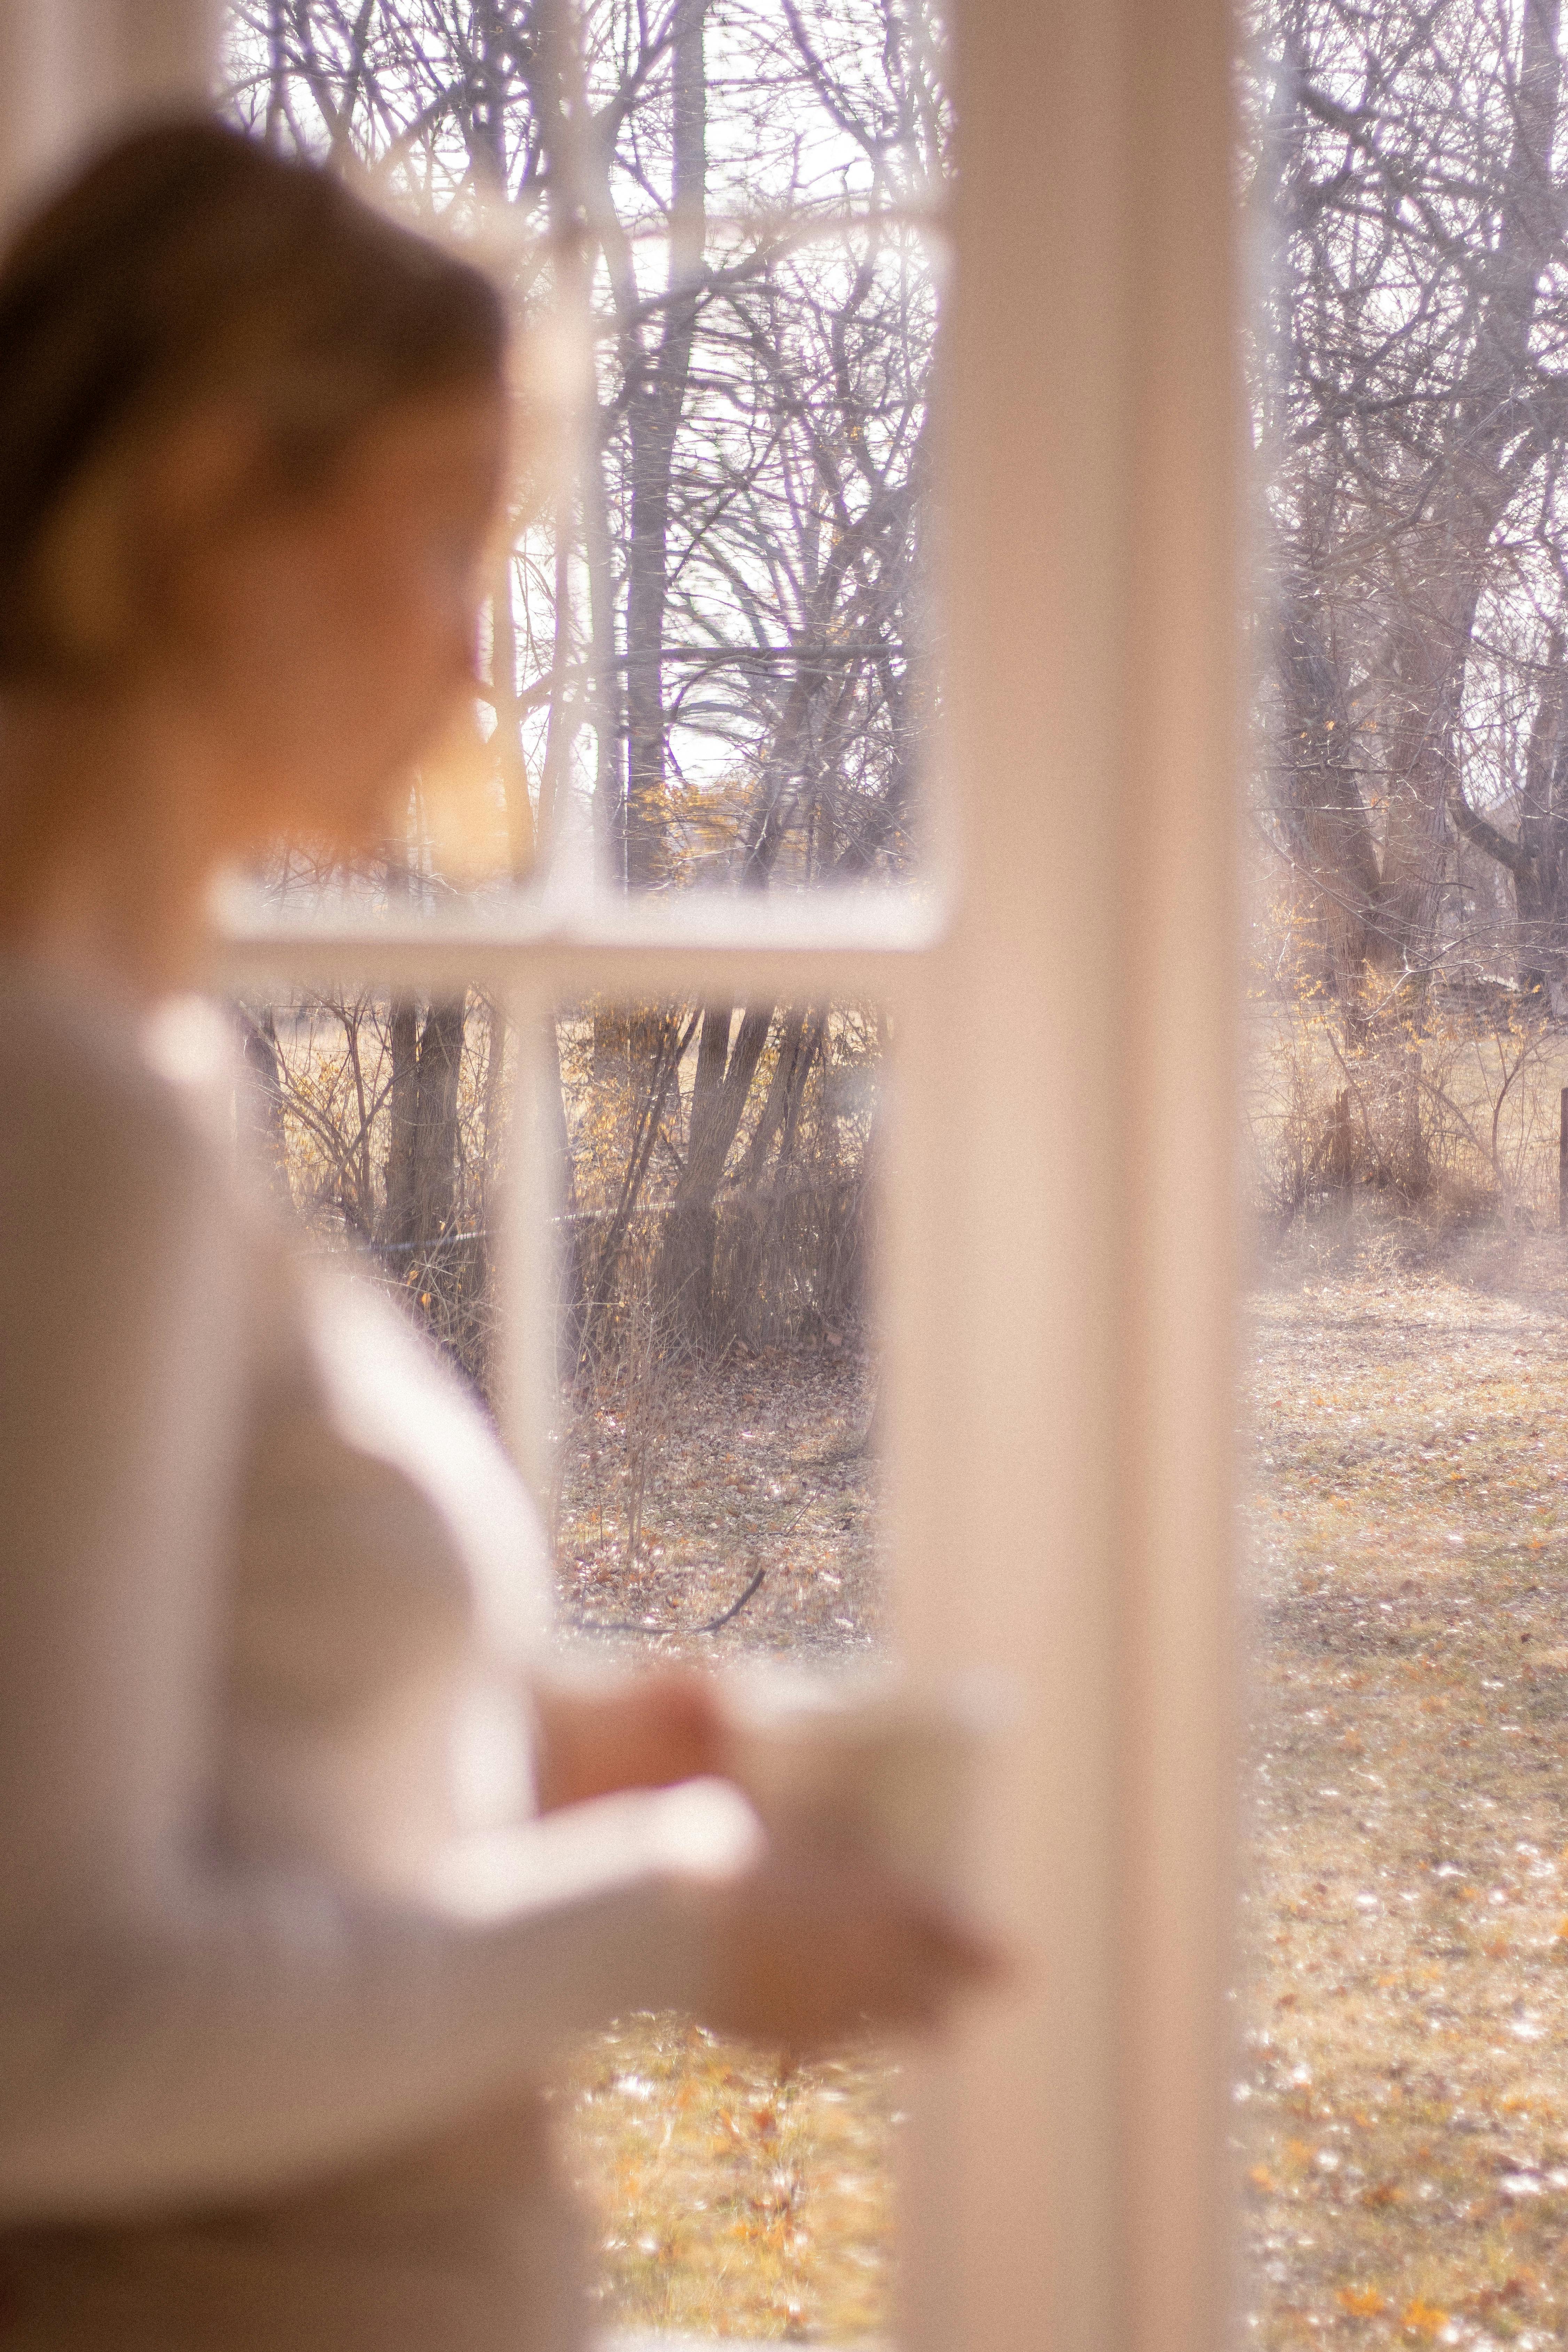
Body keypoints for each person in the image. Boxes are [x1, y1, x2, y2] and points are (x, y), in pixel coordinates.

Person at [0, 118, 996, 2351]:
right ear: (194, 499)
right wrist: (668, 1910)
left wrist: (516, 1740)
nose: (478, 662)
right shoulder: (58, 1114)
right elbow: (34, 2032)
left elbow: (144, 1762)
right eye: (449, 535)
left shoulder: (118, 1074)